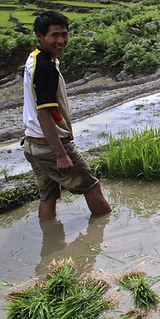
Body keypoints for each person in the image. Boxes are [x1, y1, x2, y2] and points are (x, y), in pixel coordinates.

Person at [22, 11, 111, 220]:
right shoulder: (45, 68)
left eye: (64, 34)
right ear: (40, 36)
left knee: (48, 195)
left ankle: (50, 243)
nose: (61, 40)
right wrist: (61, 154)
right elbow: (44, 113)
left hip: (32, 143)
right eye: (54, 35)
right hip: (49, 146)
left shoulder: (36, 58)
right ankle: (111, 232)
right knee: (91, 187)